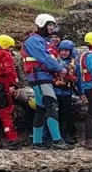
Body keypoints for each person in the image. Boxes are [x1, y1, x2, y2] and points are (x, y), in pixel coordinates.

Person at [22, 13, 72, 150]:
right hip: (39, 77)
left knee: (41, 109)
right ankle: (57, 141)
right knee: (52, 106)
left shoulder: (41, 40)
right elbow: (44, 57)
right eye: (49, 25)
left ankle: (37, 142)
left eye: (52, 25)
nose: (51, 28)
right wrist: (60, 69)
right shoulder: (34, 40)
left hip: (41, 77)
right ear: (41, 25)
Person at [53, 40, 78, 144]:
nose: (63, 52)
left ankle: (64, 135)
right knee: (56, 114)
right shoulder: (55, 61)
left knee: (66, 115)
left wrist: (81, 93)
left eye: (66, 51)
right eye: (62, 50)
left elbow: (78, 79)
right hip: (56, 92)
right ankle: (56, 136)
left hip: (67, 93)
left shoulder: (74, 63)